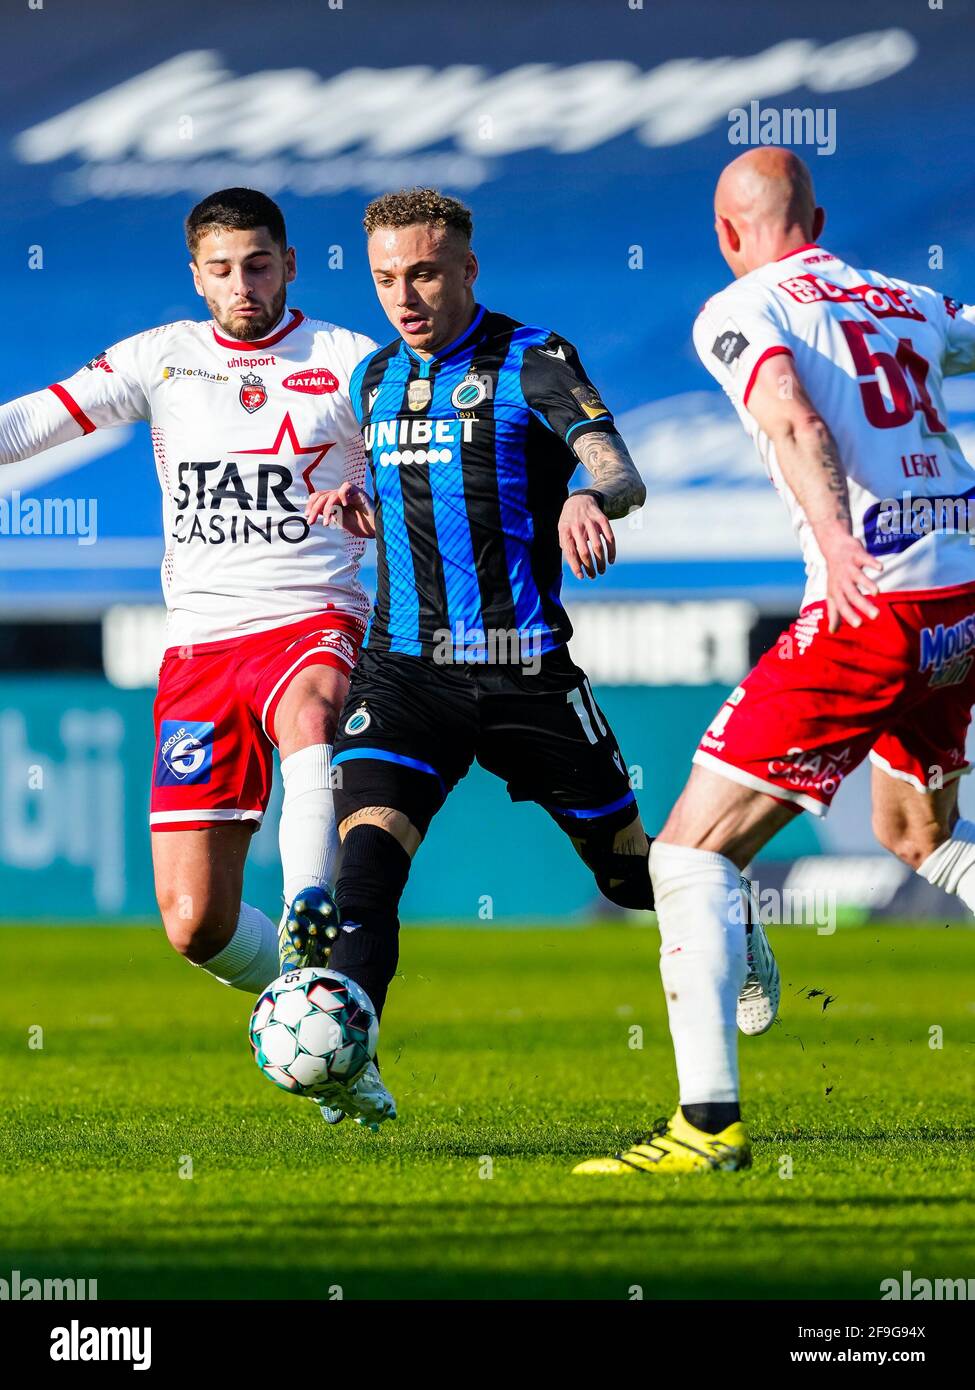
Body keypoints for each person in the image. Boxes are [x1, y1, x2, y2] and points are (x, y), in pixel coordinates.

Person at [303, 188, 777, 1129]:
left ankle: (733, 928)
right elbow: (392, 483)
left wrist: (587, 499)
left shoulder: (534, 359)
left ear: (467, 270)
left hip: (525, 671)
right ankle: (349, 1060)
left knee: (624, 872)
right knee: (365, 870)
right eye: (388, 277)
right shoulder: (371, 383)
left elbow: (616, 466)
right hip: (405, 674)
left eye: (426, 273)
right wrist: (359, 509)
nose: (405, 295)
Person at [574, 147, 975, 1177]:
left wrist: (838, 537)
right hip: (961, 594)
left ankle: (705, 1128)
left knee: (689, 854)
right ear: (821, 215)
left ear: (726, 231)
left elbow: (792, 414)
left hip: (873, 597)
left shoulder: (741, 306)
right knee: (916, 830)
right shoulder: (906, 299)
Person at [0, 187, 375, 1006]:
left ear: (289, 266)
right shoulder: (162, 357)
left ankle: (313, 894)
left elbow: (427, 476)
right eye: (223, 270)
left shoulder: (349, 359)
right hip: (201, 645)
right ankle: (322, 1008)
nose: (243, 286)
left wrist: (374, 509)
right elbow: (35, 422)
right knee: (194, 922)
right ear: (198, 278)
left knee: (311, 710)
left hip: (312, 612)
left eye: (259, 265)